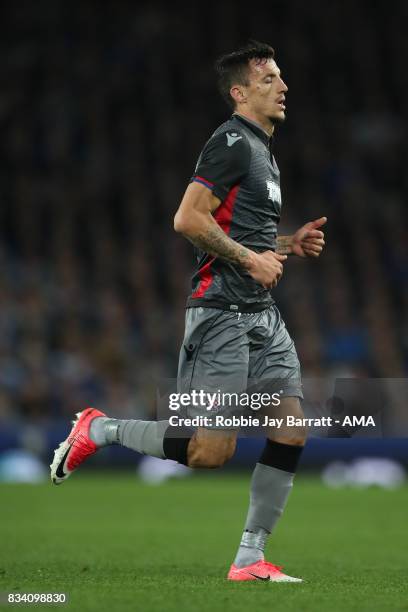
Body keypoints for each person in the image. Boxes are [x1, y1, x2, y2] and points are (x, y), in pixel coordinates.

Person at [50, 40, 326, 583]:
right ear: (239, 93)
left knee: (290, 428)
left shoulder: (263, 150)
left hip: (261, 315)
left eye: (281, 77)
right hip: (219, 312)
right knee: (208, 451)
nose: (283, 86)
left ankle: (250, 558)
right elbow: (187, 219)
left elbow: (237, 229)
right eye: (269, 79)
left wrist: (287, 245)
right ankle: (100, 429)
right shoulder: (230, 141)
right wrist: (251, 259)